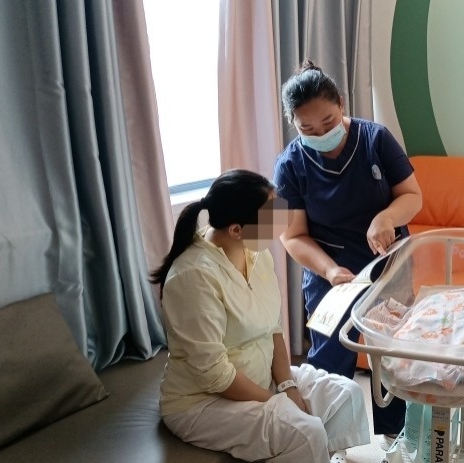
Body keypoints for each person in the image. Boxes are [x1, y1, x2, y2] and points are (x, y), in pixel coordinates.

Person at [150, 169, 370, 462]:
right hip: (202, 402)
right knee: (305, 431)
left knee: (346, 394)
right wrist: (278, 401)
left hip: (261, 377)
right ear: (236, 230)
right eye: (271, 216)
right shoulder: (193, 277)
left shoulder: (256, 252)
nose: (283, 221)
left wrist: (287, 386)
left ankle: (322, 457)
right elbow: (215, 375)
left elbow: (272, 328)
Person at [274, 60, 423, 447]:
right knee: (330, 358)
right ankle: (330, 442)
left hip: (388, 261)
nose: (322, 134)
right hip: (330, 273)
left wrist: (386, 217)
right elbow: (292, 236)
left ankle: (395, 436)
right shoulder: (289, 165)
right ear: (294, 125)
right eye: (308, 129)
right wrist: (328, 270)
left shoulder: (376, 139)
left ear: (341, 103)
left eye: (328, 122)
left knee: (390, 352)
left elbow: (413, 196)